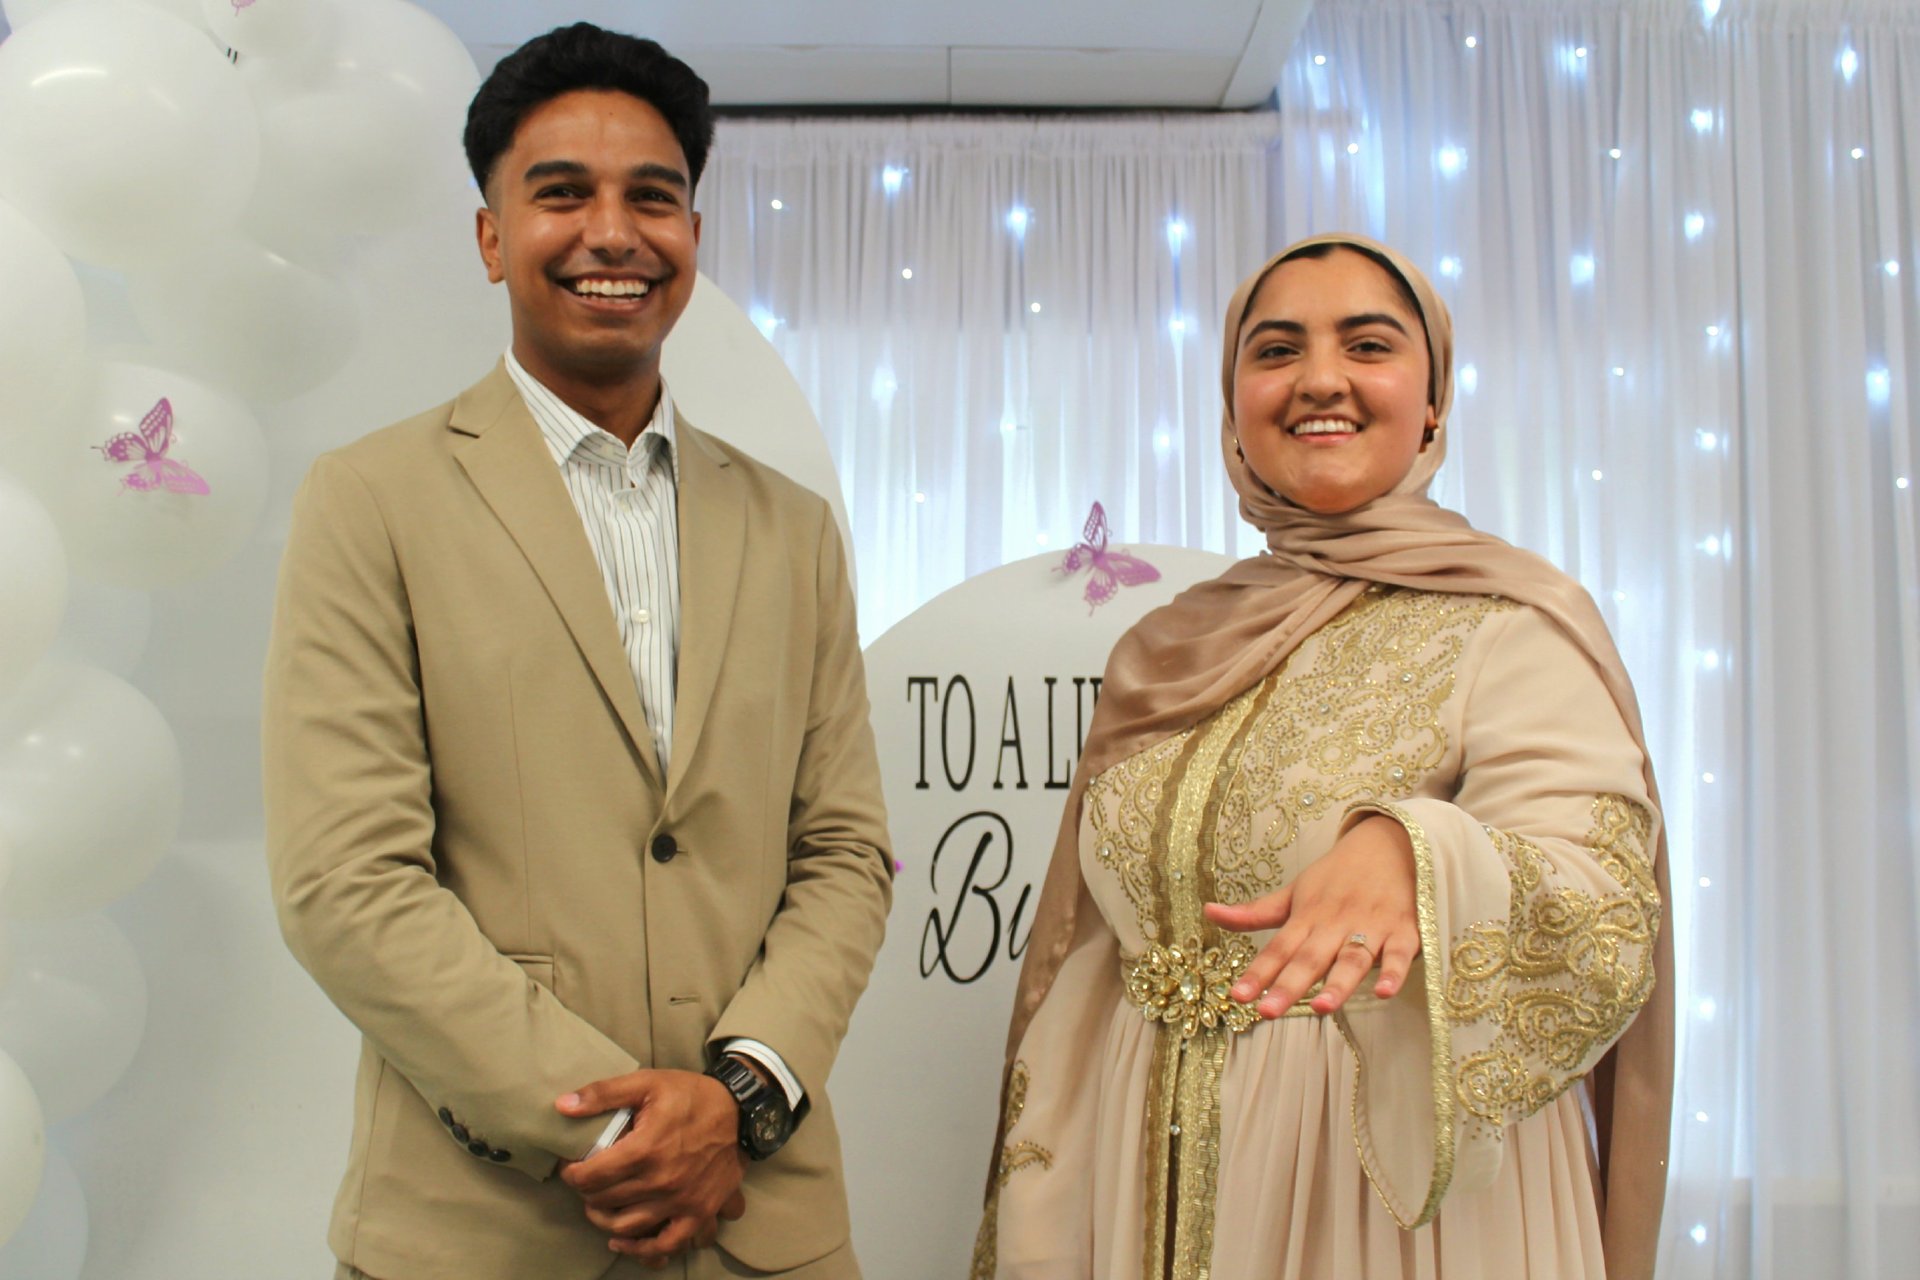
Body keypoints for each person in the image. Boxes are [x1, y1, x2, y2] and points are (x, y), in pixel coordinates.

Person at [263, 23, 891, 1280]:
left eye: (652, 197)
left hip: (759, 1215)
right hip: (479, 1224)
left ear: (693, 239)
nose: (614, 232)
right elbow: (348, 882)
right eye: (562, 194)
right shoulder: (370, 497)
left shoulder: (792, 525)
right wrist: (620, 1127)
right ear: (492, 237)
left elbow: (843, 849)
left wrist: (738, 1099)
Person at [974, 233, 1674, 1279]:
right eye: (1276, 350)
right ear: (1234, 404)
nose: (1319, 379)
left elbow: (1605, 898)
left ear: (1433, 400)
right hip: (1134, 1172)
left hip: (1387, 1205)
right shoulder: (1167, 644)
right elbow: (1089, 948)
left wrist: (1414, 852)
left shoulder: (1512, 621)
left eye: (1368, 344)